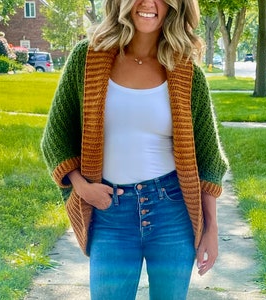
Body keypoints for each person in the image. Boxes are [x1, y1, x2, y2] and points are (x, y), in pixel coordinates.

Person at [41, 0, 228, 299]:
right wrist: (81, 187)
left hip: (172, 212)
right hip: (110, 213)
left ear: (173, 7)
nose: (148, 3)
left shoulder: (186, 72)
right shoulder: (87, 59)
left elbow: (209, 160)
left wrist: (211, 230)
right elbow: (56, 137)